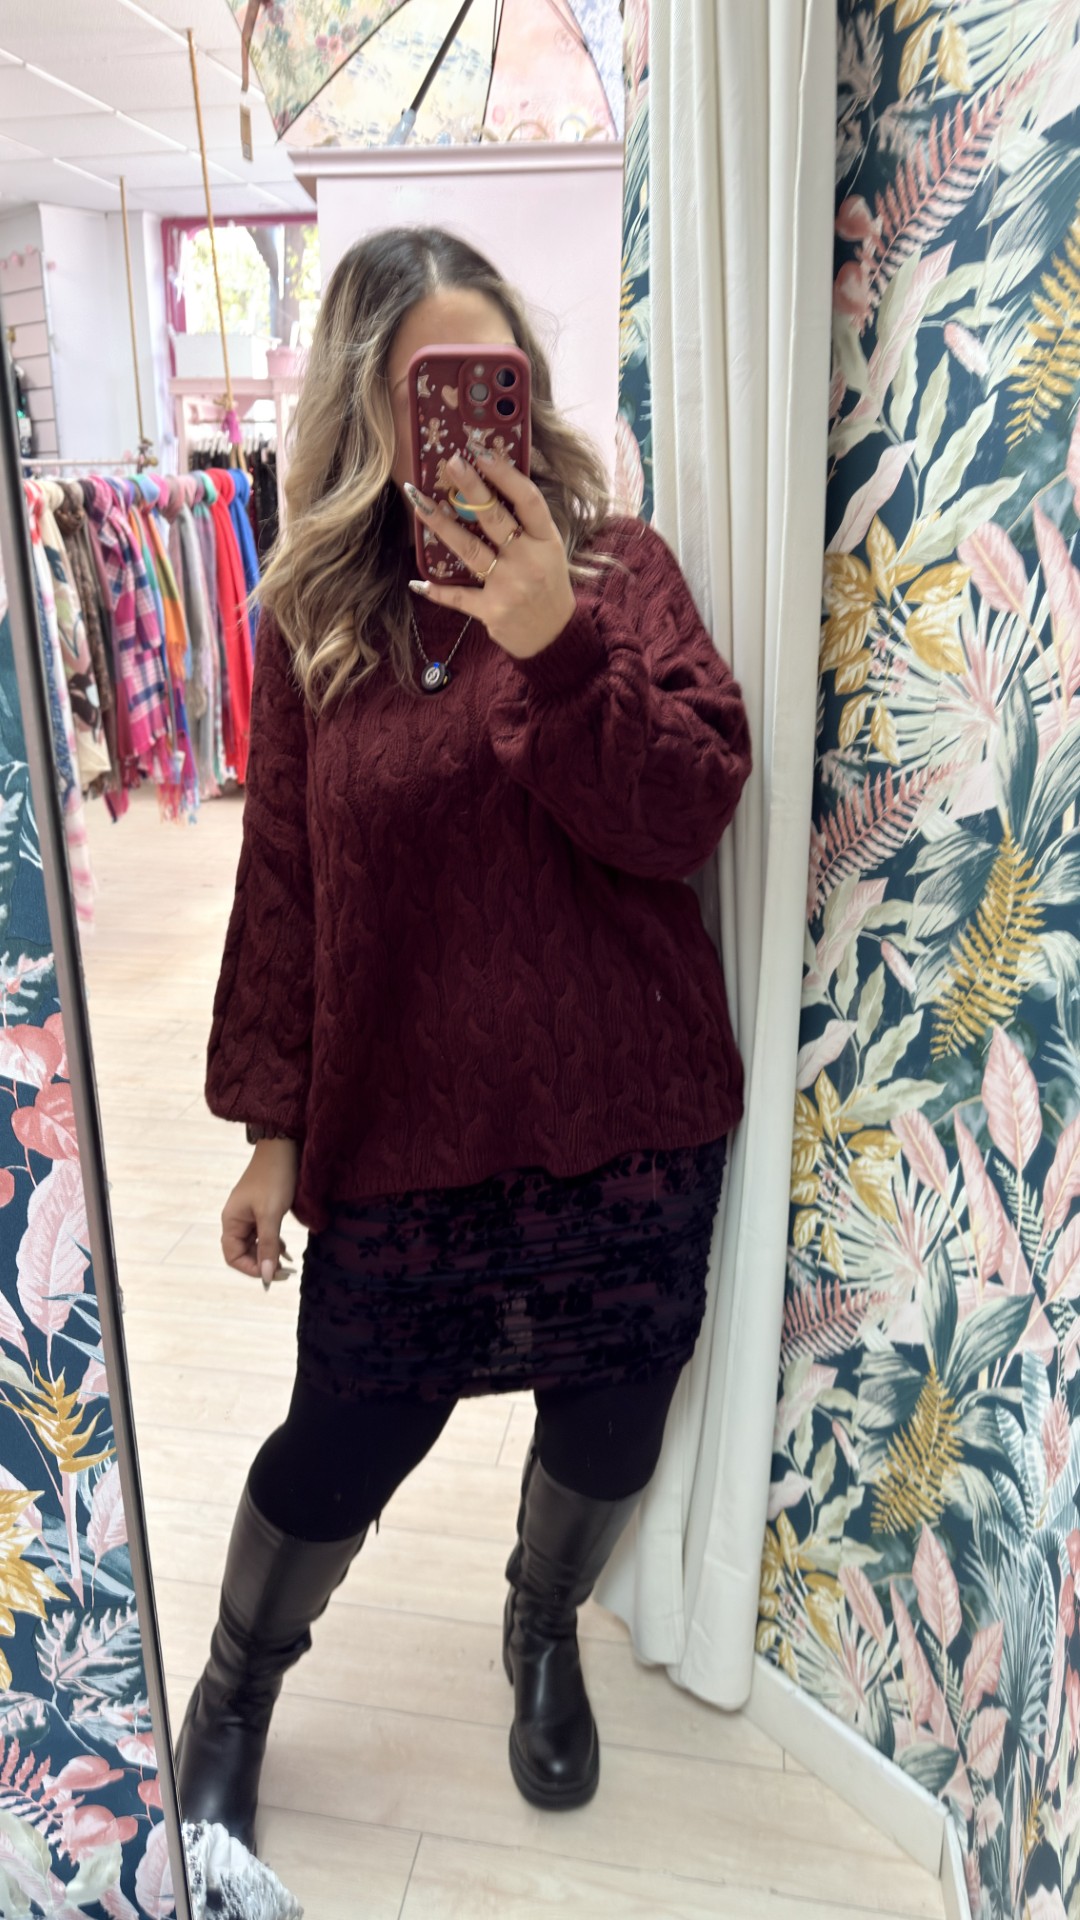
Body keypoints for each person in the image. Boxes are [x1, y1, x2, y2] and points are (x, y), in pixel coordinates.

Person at [175, 226, 751, 1853]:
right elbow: (284, 882)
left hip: (625, 1125)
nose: (466, 423)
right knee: (337, 1444)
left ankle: (539, 1627)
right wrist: (272, 1135)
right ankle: (236, 1689)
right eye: (430, 387)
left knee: (610, 1425)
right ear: (371, 408)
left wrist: (558, 637)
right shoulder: (316, 620)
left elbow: (688, 812)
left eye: (490, 378)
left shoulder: (620, 571)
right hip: (405, 1137)